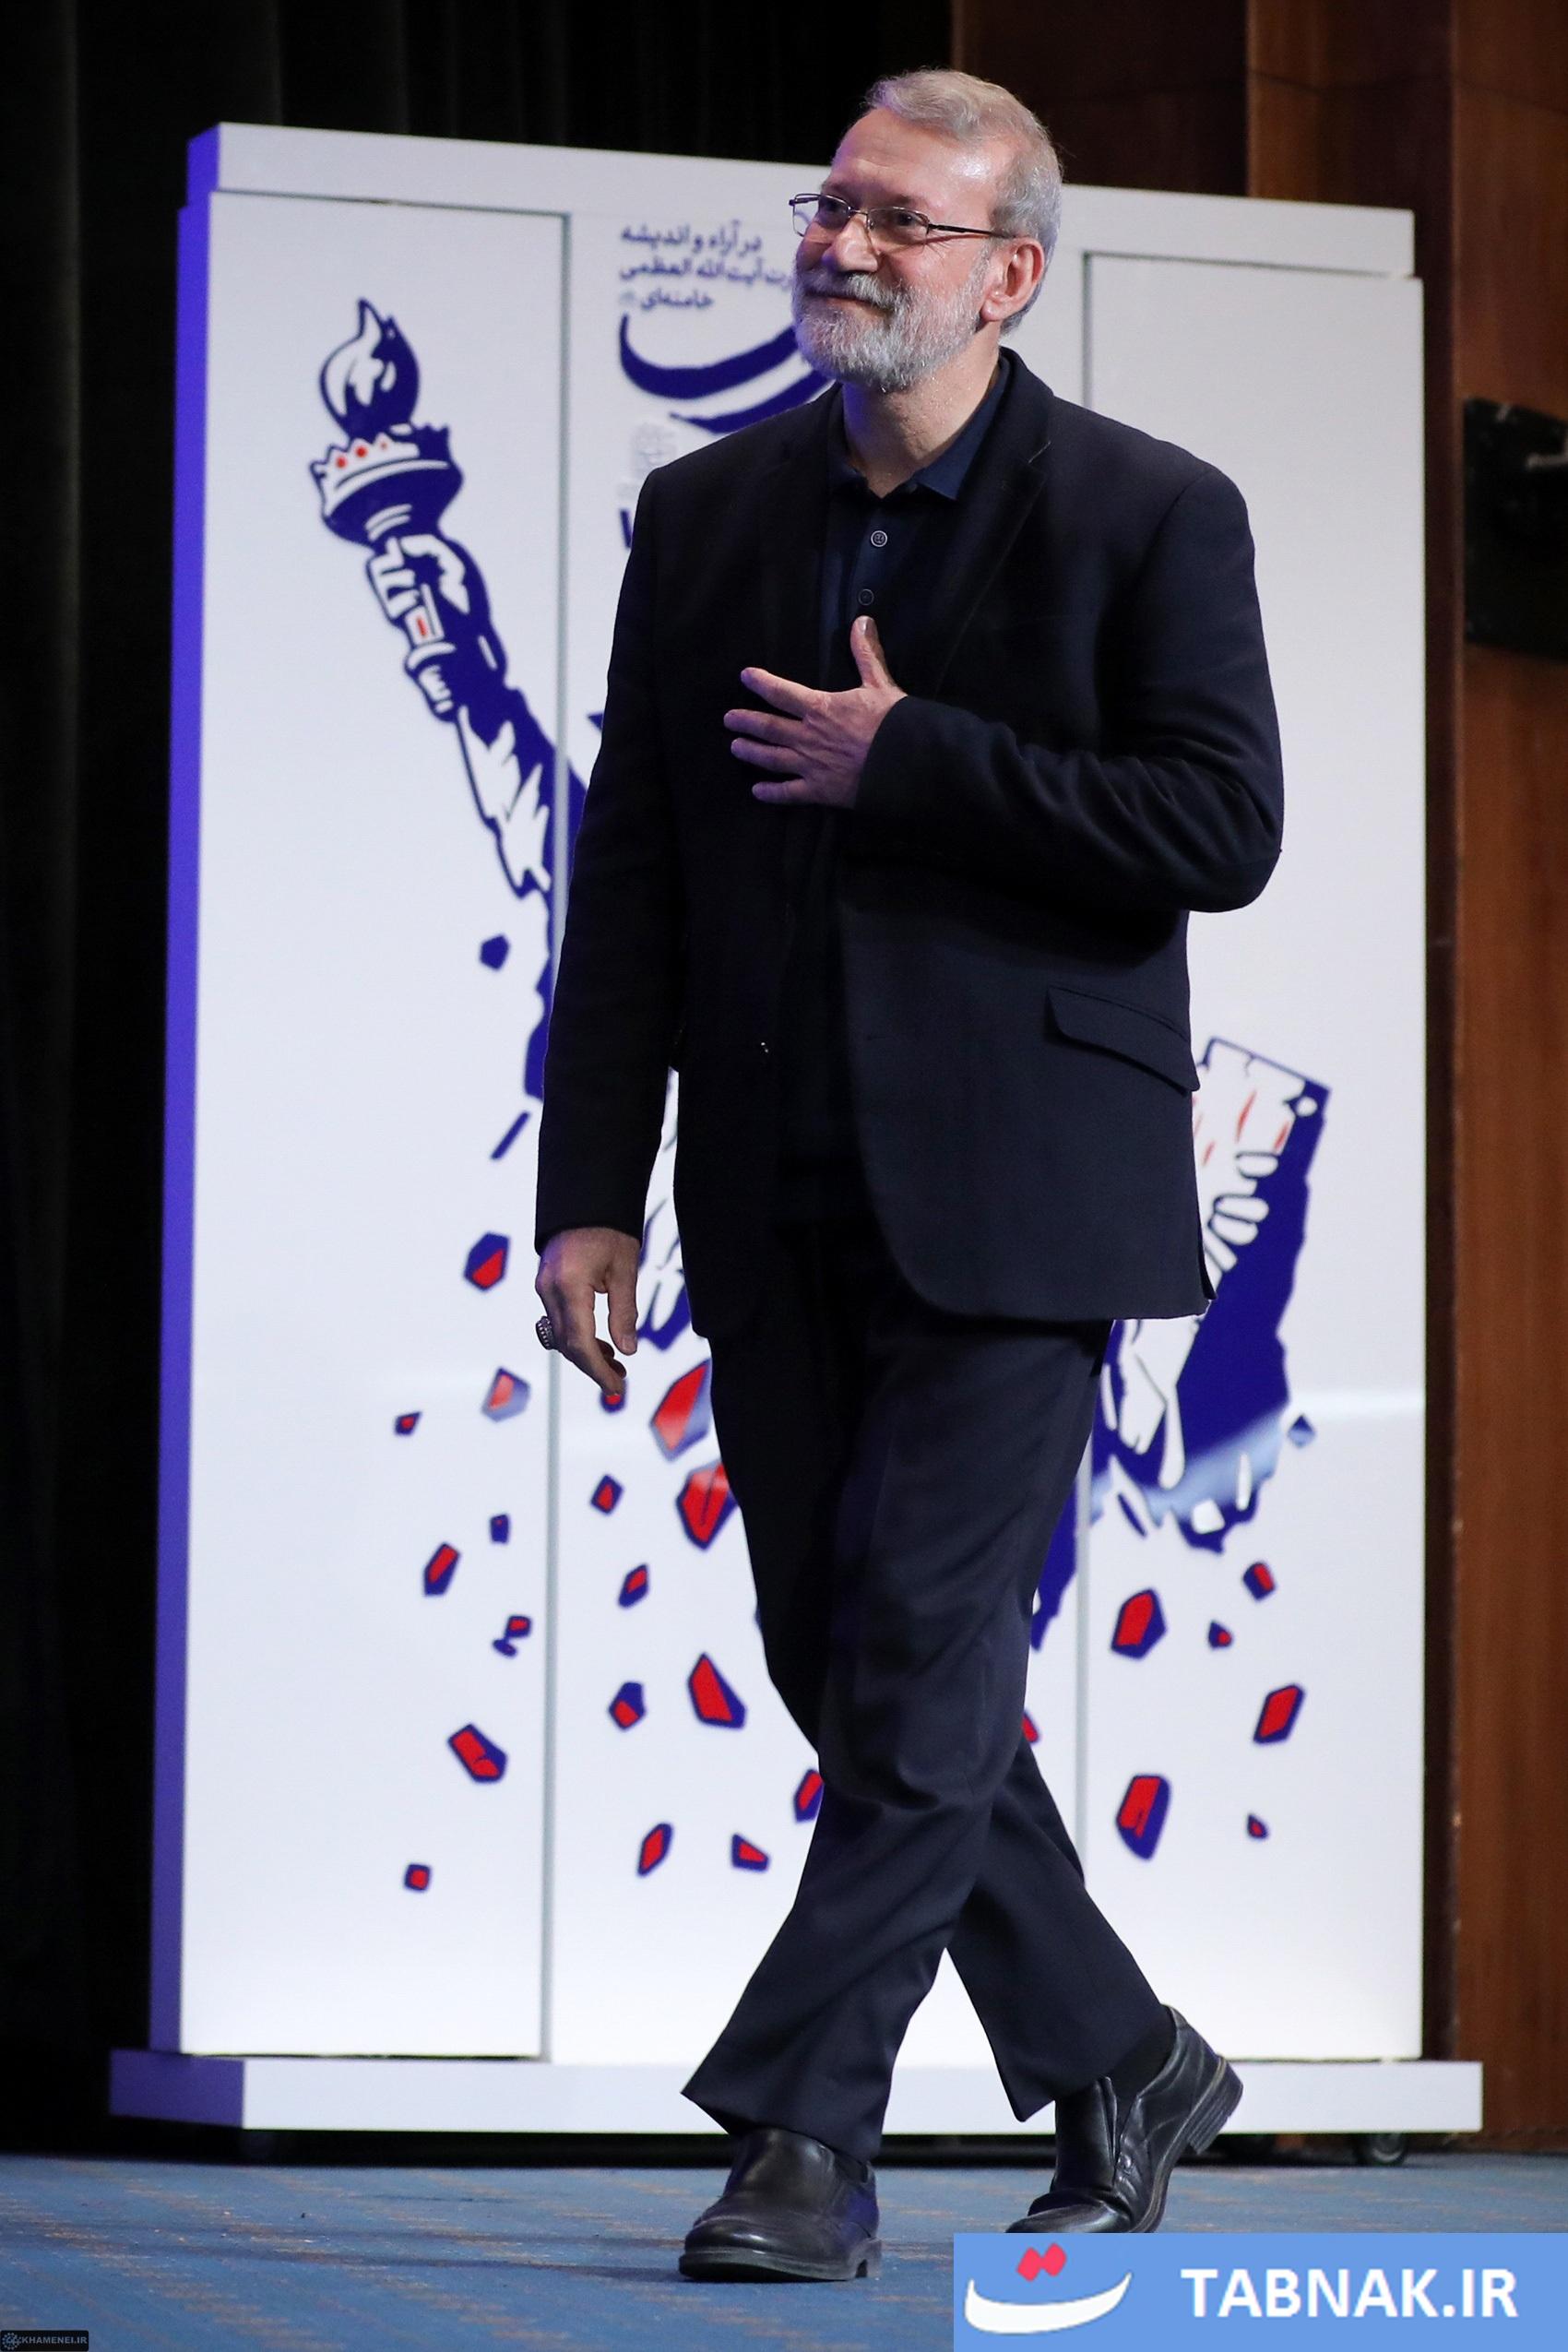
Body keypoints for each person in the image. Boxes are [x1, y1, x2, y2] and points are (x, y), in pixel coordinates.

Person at [533, 66, 1282, 2283]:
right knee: (847, 1662)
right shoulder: (708, 514)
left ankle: (804, 2139)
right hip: (771, 1182)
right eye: (833, 206)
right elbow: (637, 865)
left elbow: (1216, 827)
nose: (843, 247)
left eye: (900, 223)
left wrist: (914, 760)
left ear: (1008, 272)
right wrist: (592, 1187)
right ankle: (1124, 2053)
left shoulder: (1148, 510)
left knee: (923, 1646)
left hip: (1023, 1198)